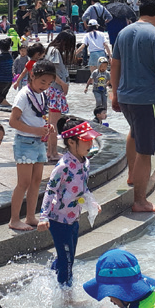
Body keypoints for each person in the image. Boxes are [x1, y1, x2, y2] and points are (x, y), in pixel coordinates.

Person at [110, 0, 155, 213]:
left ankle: (131, 176)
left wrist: (115, 93)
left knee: (134, 133)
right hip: (147, 100)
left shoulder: (123, 33)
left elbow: (115, 65)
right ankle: (140, 200)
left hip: (126, 97)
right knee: (146, 151)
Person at [42, 116, 102, 293]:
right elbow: (50, 190)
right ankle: (66, 297)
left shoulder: (85, 162)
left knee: (69, 257)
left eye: (91, 139)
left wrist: (92, 203)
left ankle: (50, 276)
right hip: (59, 220)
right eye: (86, 140)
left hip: (73, 217)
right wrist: (43, 216)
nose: (91, 143)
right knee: (67, 260)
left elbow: (83, 188)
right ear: (71, 142)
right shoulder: (64, 166)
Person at [8, 61, 57, 230]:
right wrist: (35, 130)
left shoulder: (42, 95)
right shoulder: (23, 95)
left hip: (38, 143)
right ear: (32, 76)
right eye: (42, 81)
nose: (45, 86)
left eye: (49, 83)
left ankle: (30, 216)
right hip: (25, 142)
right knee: (24, 182)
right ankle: (14, 219)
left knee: (36, 181)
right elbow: (13, 121)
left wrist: (46, 127)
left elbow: (39, 116)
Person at [43, 31, 76, 161]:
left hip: (54, 90)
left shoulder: (52, 50)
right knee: (54, 124)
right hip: (56, 90)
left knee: (52, 123)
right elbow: (51, 72)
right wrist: (63, 84)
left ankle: (51, 152)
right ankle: (53, 152)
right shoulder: (54, 52)